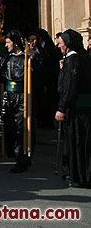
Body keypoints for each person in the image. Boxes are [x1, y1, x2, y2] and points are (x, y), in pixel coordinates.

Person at [0, 30, 41, 173]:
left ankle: (23, 158)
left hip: (23, 96)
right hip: (9, 97)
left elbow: (39, 76)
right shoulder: (6, 59)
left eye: (8, 43)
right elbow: (1, 78)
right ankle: (12, 152)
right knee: (10, 126)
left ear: (15, 43)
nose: (6, 45)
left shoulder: (28, 58)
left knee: (22, 128)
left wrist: (33, 61)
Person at [55, 29, 91, 188]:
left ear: (68, 45)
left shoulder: (74, 60)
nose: (59, 46)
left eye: (61, 43)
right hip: (81, 108)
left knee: (78, 142)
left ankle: (79, 177)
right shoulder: (81, 58)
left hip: (77, 110)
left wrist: (62, 108)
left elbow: (70, 87)